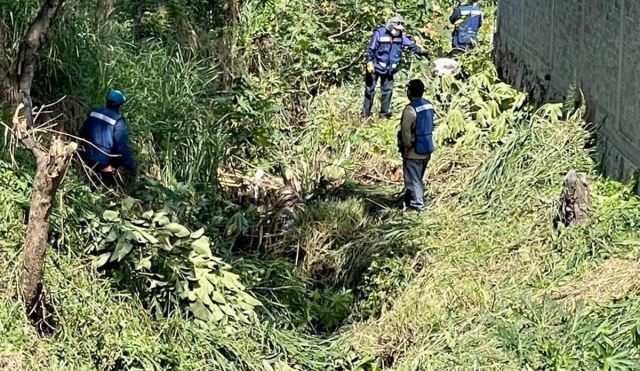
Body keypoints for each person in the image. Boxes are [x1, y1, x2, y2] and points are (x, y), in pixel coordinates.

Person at [361, 15, 429, 119]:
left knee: (387, 92)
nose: (397, 31)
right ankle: (365, 114)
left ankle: (383, 115)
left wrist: (422, 51)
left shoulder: (400, 36)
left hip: (389, 70)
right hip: (375, 67)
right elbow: (371, 48)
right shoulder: (379, 33)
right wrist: (369, 62)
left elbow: (410, 45)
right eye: (396, 29)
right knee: (370, 90)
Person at [79, 89, 136, 187]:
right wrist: (131, 166)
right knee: (119, 156)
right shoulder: (118, 121)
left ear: (106, 101)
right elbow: (121, 148)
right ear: (120, 105)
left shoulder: (94, 112)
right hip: (102, 162)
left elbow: (82, 132)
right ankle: (109, 180)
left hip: (86, 156)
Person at [397, 79, 434, 212]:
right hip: (427, 148)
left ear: (409, 91)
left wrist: (405, 147)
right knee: (417, 177)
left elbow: (406, 132)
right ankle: (409, 201)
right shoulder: (429, 105)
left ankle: (418, 206)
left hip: (414, 151)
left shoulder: (410, 109)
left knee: (414, 180)